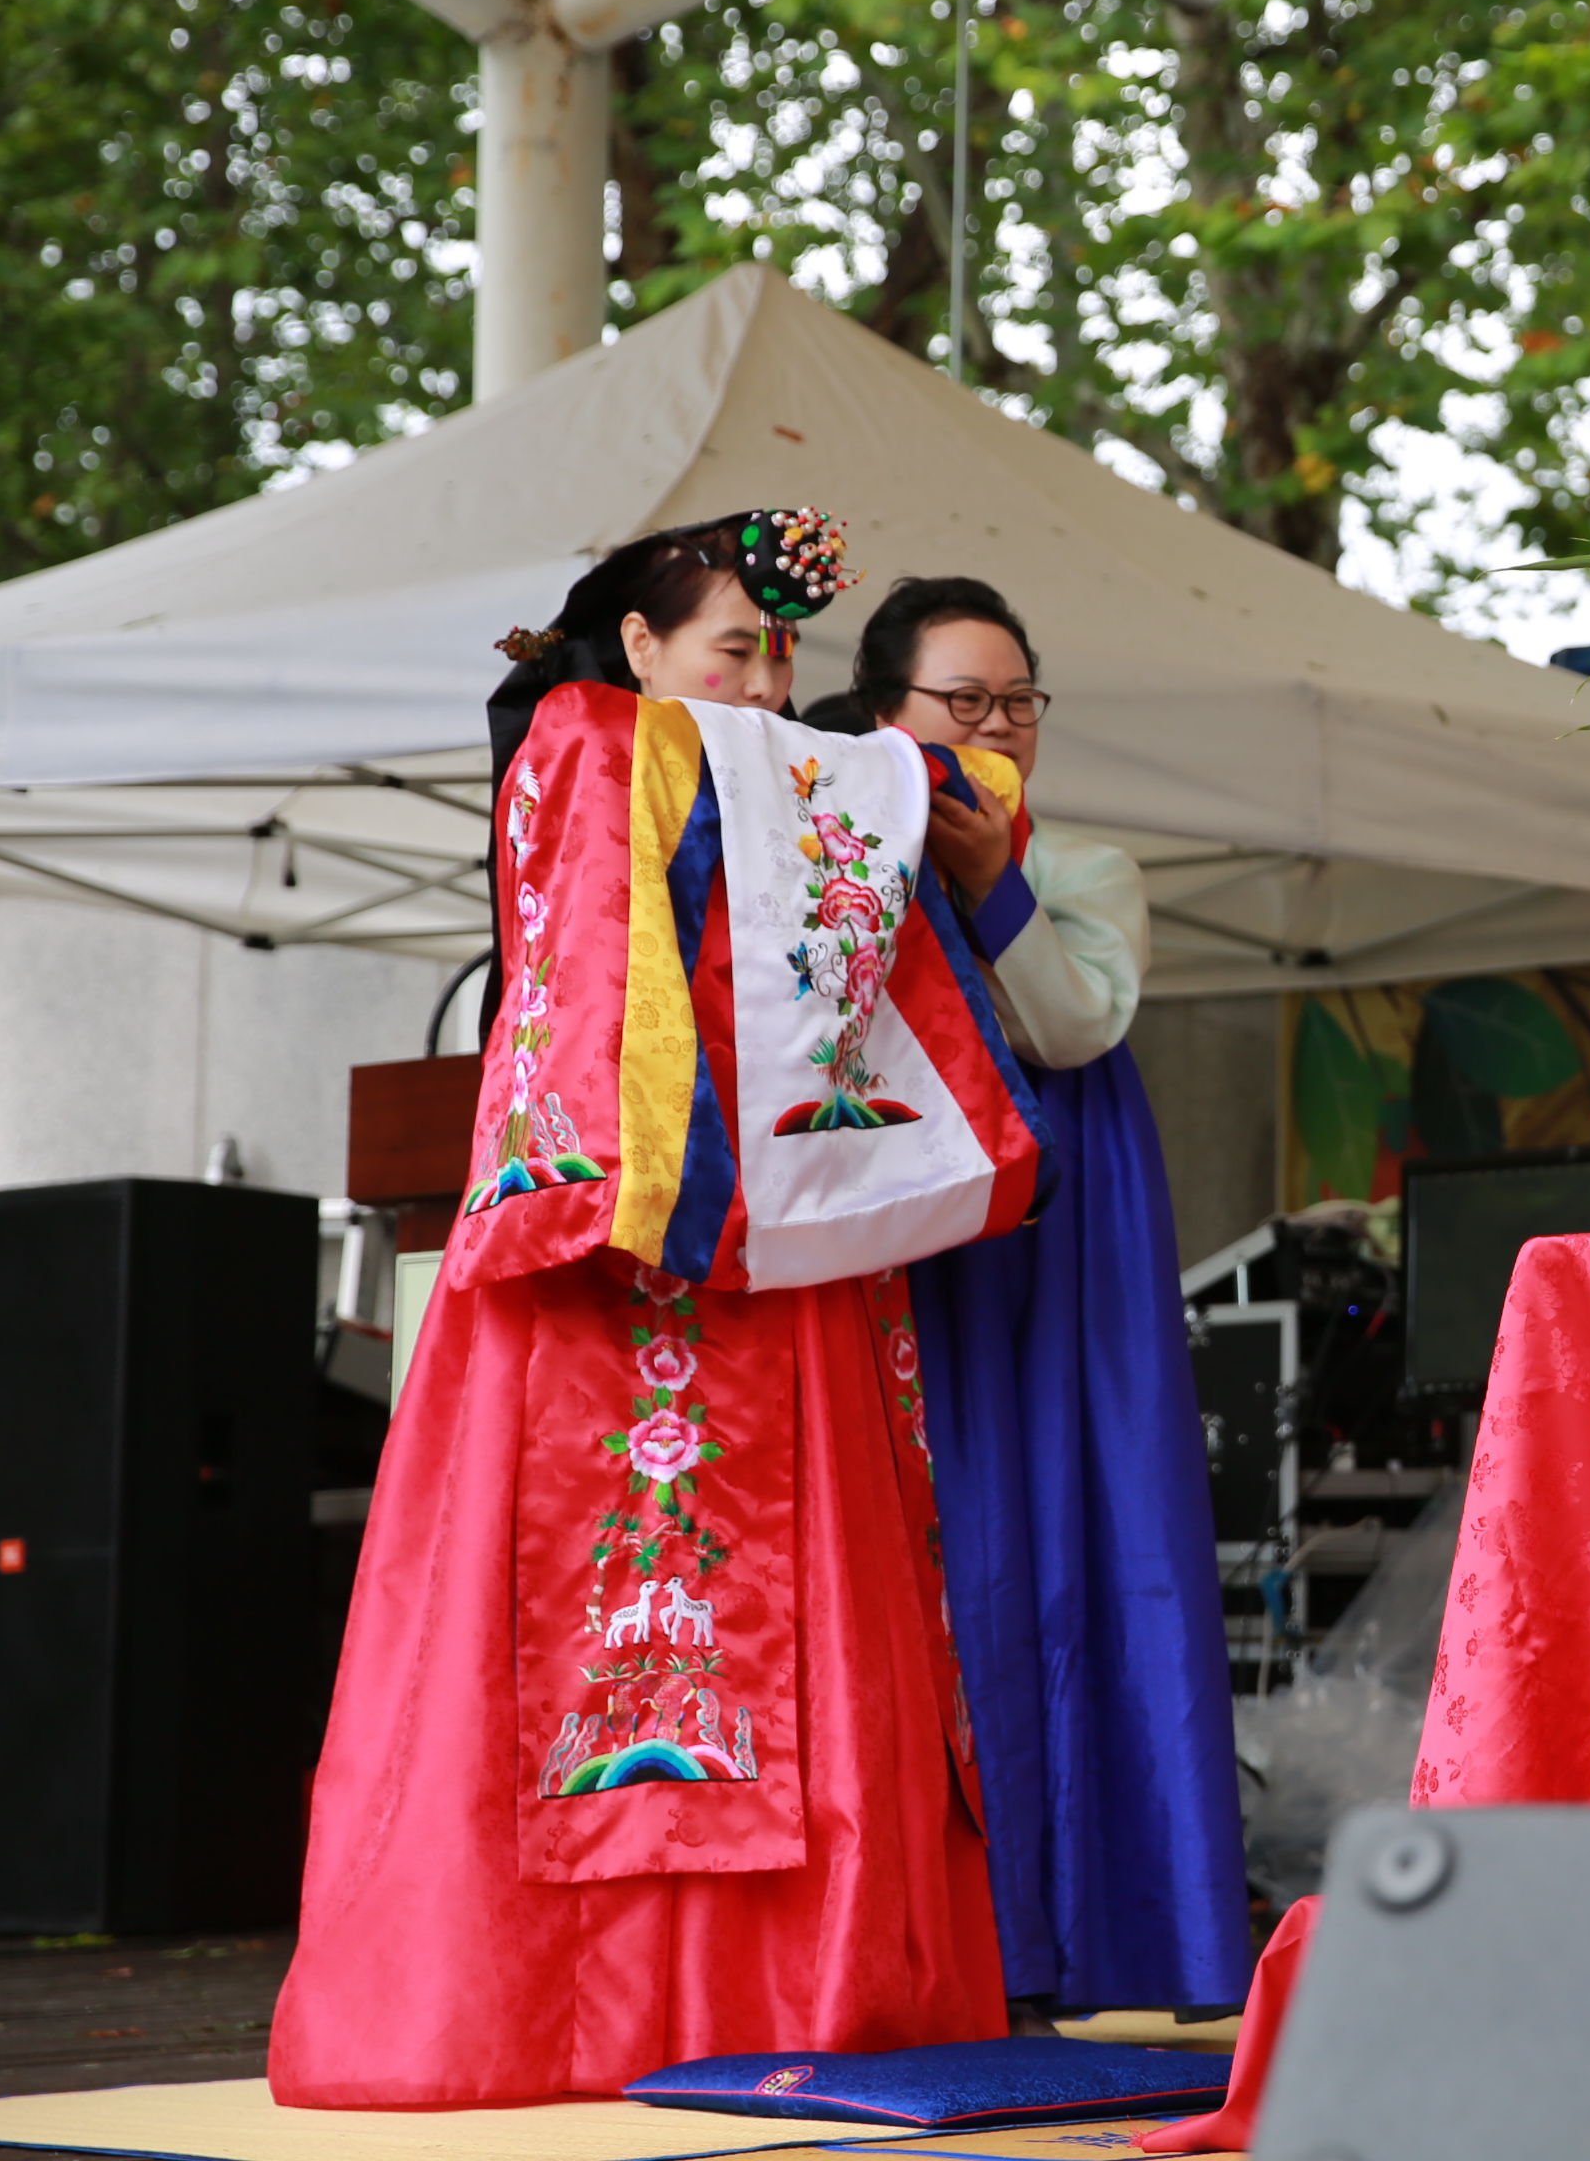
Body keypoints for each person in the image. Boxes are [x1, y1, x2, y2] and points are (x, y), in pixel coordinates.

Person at [272, 514, 1023, 2106]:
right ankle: (546, 2016)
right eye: (731, 649)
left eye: (782, 652)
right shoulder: (574, 745)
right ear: (639, 650)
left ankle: (792, 1999)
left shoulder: (794, 773)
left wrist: (920, 767)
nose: (767, 681)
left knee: (786, 1624)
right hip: (601, 1263)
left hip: (777, 1250)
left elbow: (952, 808)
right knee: (576, 1615)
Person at [811, 576, 1250, 2009]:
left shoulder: (1093, 870)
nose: (997, 727)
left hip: (1057, 1245)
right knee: (923, 1559)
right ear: (888, 717)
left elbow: (1069, 1026)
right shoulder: (833, 867)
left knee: (1073, 1551)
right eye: (963, 701)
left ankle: (1086, 1926)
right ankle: (921, 1937)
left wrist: (996, 886)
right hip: (900, 1240)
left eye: (1018, 700)